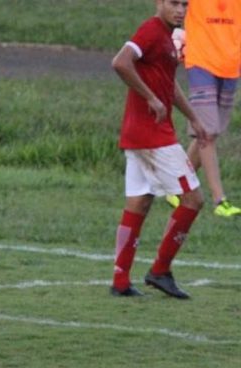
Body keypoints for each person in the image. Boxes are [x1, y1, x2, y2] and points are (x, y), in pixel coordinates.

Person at [110, 0, 208, 299]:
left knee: (139, 203)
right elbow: (120, 62)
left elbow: (168, 84)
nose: (181, 10)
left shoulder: (167, 37)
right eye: (174, 3)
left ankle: (120, 281)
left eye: (185, 4)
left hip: (138, 134)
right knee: (193, 199)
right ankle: (160, 270)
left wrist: (193, 117)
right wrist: (151, 98)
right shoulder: (152, 31)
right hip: (152, 135)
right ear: (159, 3)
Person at [169, 0, 241, 217]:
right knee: (206, 134)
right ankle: (220, 200)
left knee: (211, 132)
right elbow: (171, 8)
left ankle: (176, 187)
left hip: (231, 65)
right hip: (201, 62)